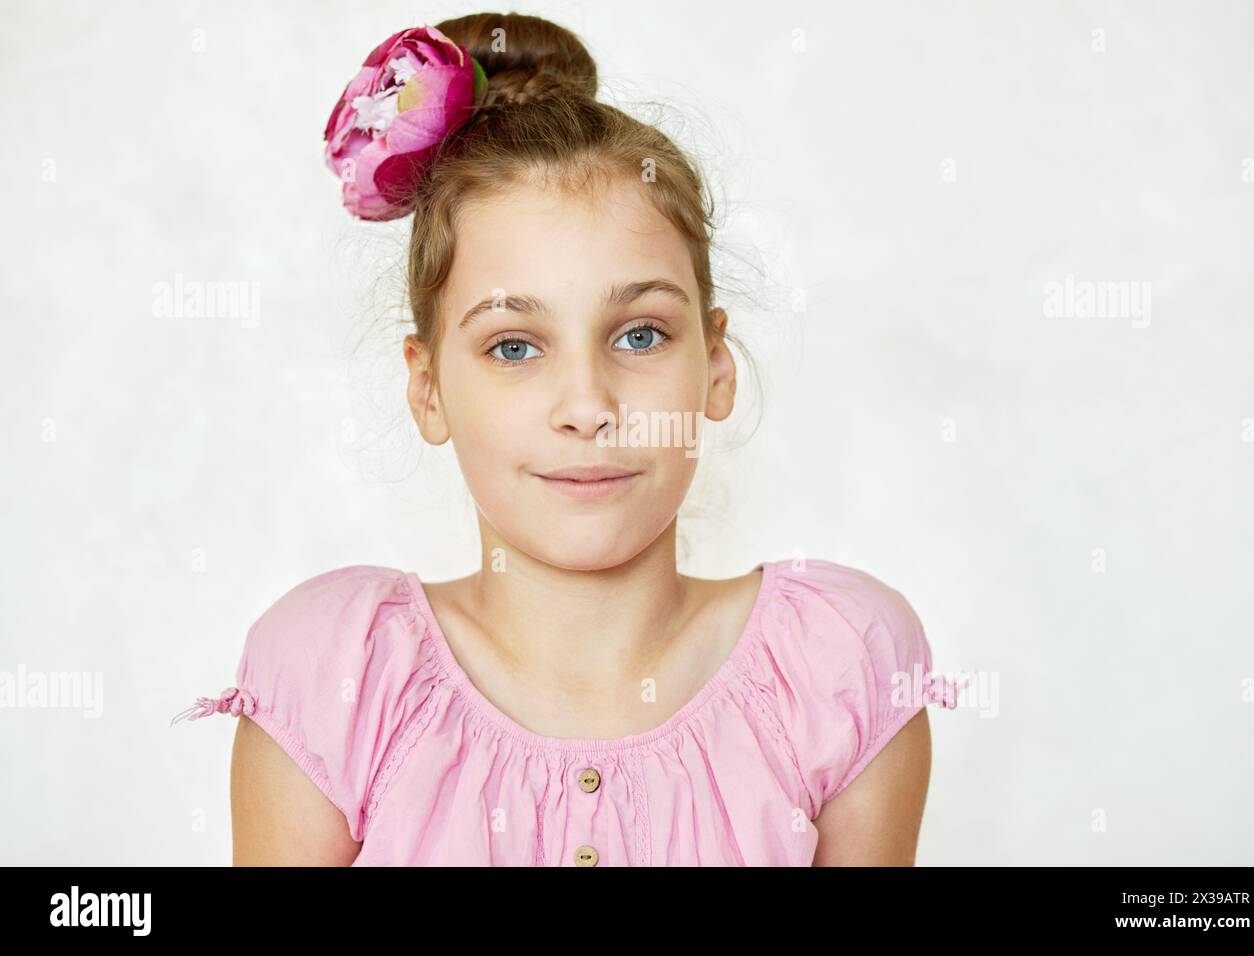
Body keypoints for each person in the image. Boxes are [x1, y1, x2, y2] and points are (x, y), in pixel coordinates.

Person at [171, 12, 963, 866]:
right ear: (428, 387)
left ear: (718, 365)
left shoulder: (835, 668)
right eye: (514, 347)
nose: (587, 406)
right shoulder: (340, 678)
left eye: (640, 335)